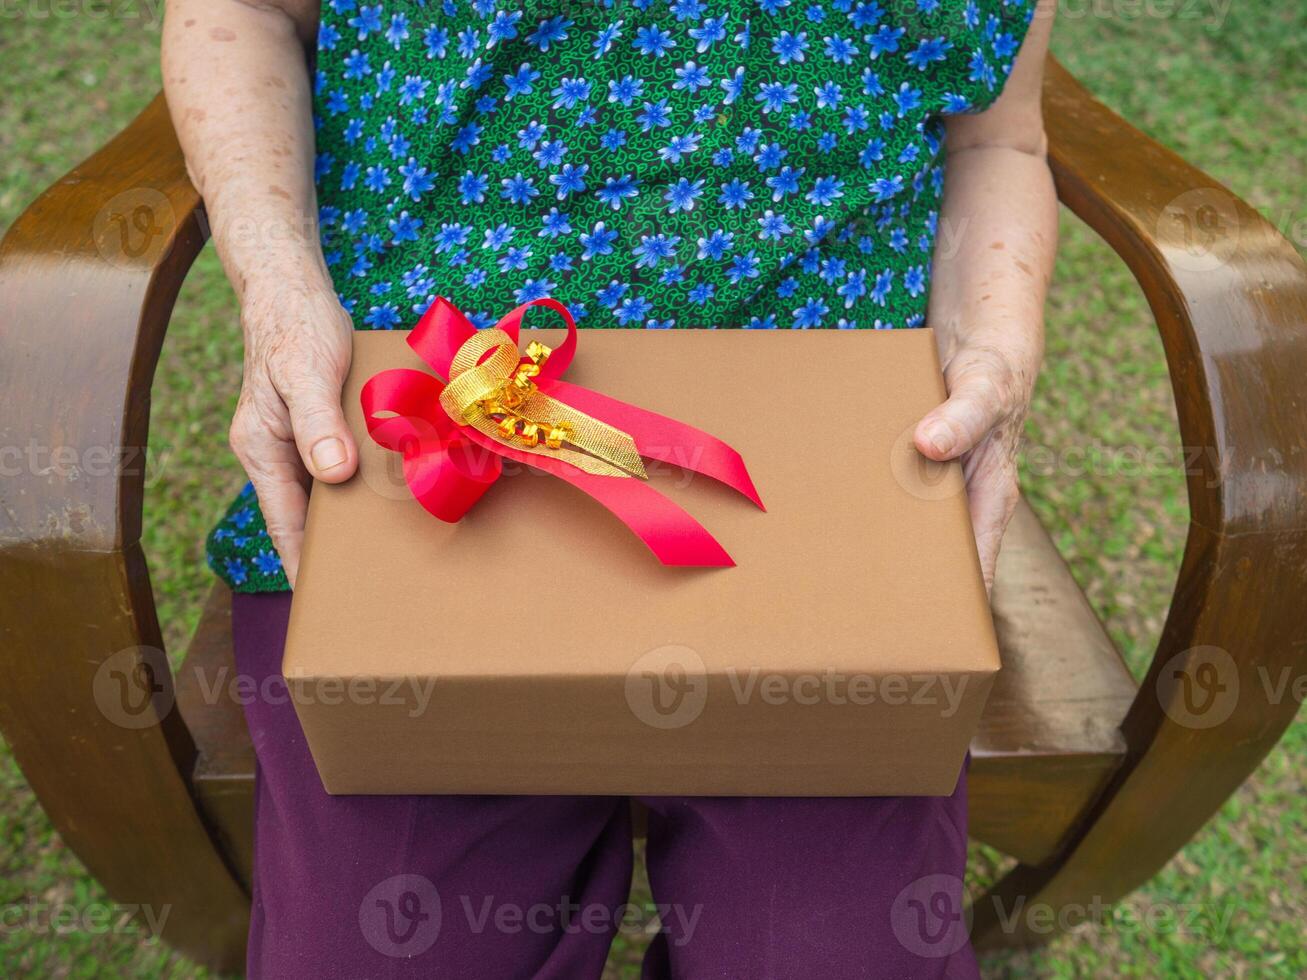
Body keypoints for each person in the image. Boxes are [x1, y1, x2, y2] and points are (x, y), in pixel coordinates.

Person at [162, 0, 1056, 974]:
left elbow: (997, 139)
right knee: (377, 945)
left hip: (830, 486)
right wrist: (278, 286)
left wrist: (996, 349)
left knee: (834, 950)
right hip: (424, 455)